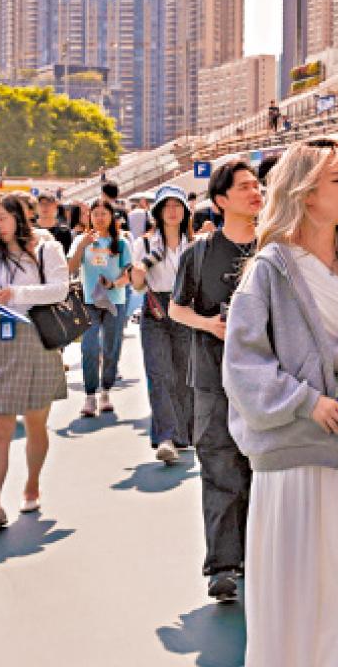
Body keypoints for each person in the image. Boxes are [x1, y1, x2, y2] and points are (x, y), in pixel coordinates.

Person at [222, 137, 338, 665]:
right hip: (296, 447)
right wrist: (308, 401)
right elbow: (242, 364)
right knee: (298, 577)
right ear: (305, 192)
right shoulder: (269, 269)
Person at [170, 160, 264, 602]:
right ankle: (224, 566)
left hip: (269, 379)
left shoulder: (276, 248)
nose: (255, 192)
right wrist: (209, 325)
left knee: (265, 470)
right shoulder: (199, 253)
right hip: (212, 379)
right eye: (244, 187)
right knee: (220, 468)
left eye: (256, 185)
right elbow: (175, 309)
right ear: (221, 200)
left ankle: (263, 557)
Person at [0, 193, 71, 530]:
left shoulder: (46, 248)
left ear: (18, 215)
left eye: (3, 217)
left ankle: (32, 484)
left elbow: (60, 290)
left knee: (35, 423)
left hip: (39, 339)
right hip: (0, 339)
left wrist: (17, 294)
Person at [130, 185, 195, 466]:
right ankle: (166, 437)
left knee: (184, 376)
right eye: (166, 206)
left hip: (185, 309)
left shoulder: (194, 244)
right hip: (155, 310)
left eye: (178, 205)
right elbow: (137, 286)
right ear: (157, 211)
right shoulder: (144, 244)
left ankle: (183, 435)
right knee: (159, 374)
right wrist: (140, 271)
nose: (172, 211)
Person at [68, 197, 133, 417]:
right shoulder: (82, 240)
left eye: (104, 213)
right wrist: (82, 246)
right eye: (95, 214)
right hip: (90, 302)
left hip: (115, 301)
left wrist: (114, 283)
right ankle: (89, 396)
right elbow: (71, 267)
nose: (99, 217)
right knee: (88, 348)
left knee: (111, 348)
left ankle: (105, 391)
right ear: (89, 217)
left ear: (111, 217)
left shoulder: (121, 242)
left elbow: (129, 274)